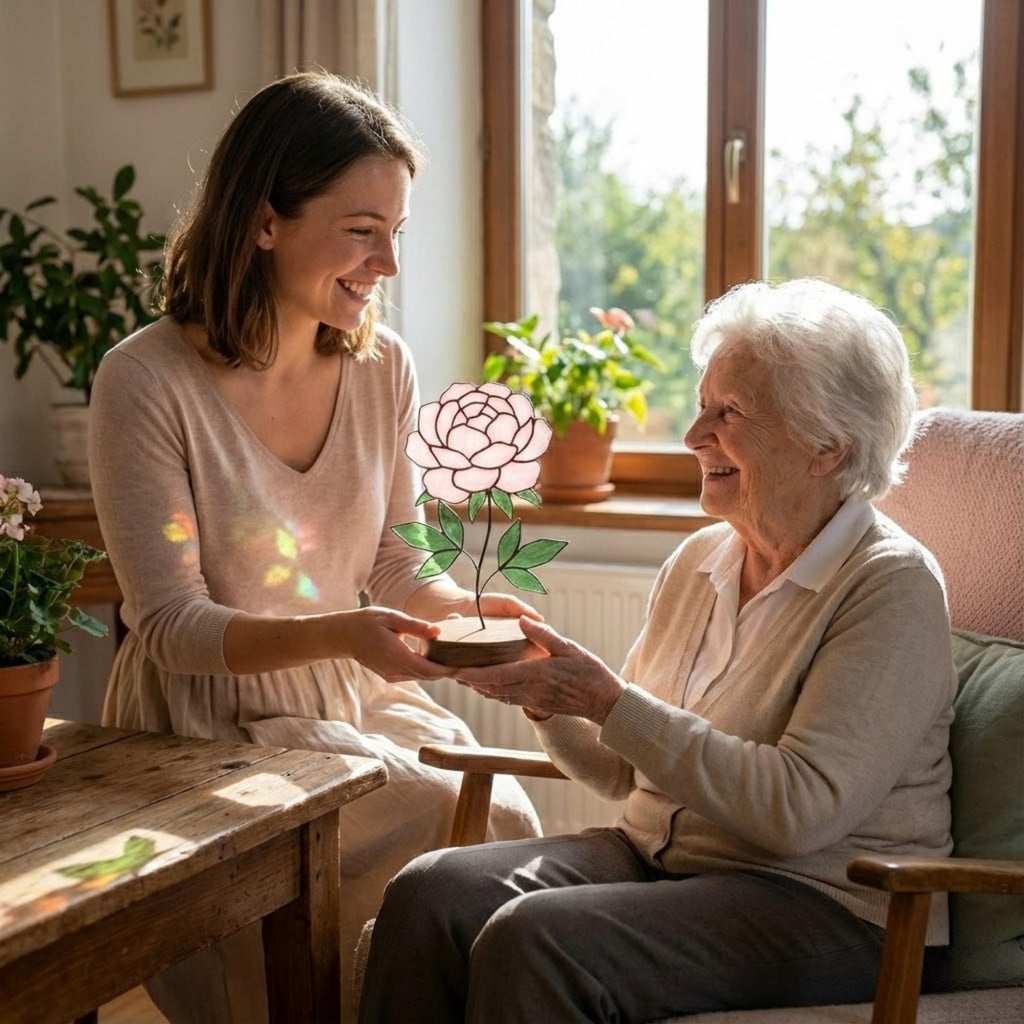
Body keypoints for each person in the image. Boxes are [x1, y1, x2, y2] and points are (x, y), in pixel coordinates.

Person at [358, 278, 957, 1023]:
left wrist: (606, 700)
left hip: (834, 906)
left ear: (826, 446)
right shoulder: (703, 559)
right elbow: (618, 770)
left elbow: (799, 812)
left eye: (728, 413)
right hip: (662, 863)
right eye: (703, 404)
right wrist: (547, 698)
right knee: (431, 892)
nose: (694, 434)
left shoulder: (888, 585)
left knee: (538, 940)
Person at [87, 71, 540, 1024]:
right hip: (206, 727)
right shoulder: (145, 382)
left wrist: (472, 615)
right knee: (428, 821)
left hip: (351, 696)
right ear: (264, 223)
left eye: (397, 233)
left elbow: (395, 569)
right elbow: (170, 625)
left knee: (500, 820)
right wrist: (347, 632)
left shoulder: (383, 369)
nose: (388, 263)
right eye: (361, 229)